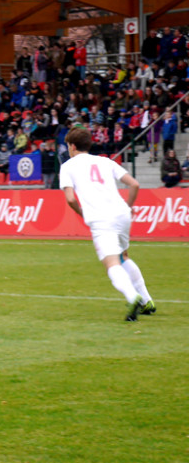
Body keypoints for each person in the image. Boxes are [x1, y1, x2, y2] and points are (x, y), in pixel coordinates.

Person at [59, 127, 155, 321]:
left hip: (101, 218)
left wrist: (82, 213)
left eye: (68, 145)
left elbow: (70, 199)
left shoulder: (68, 166)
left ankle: (132, 296)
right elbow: (134, 184)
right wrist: (128, 206)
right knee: (123, 256)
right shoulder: (105, 161)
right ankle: (146, 300)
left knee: (111, 262)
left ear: (73, 146)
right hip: (121, 214)